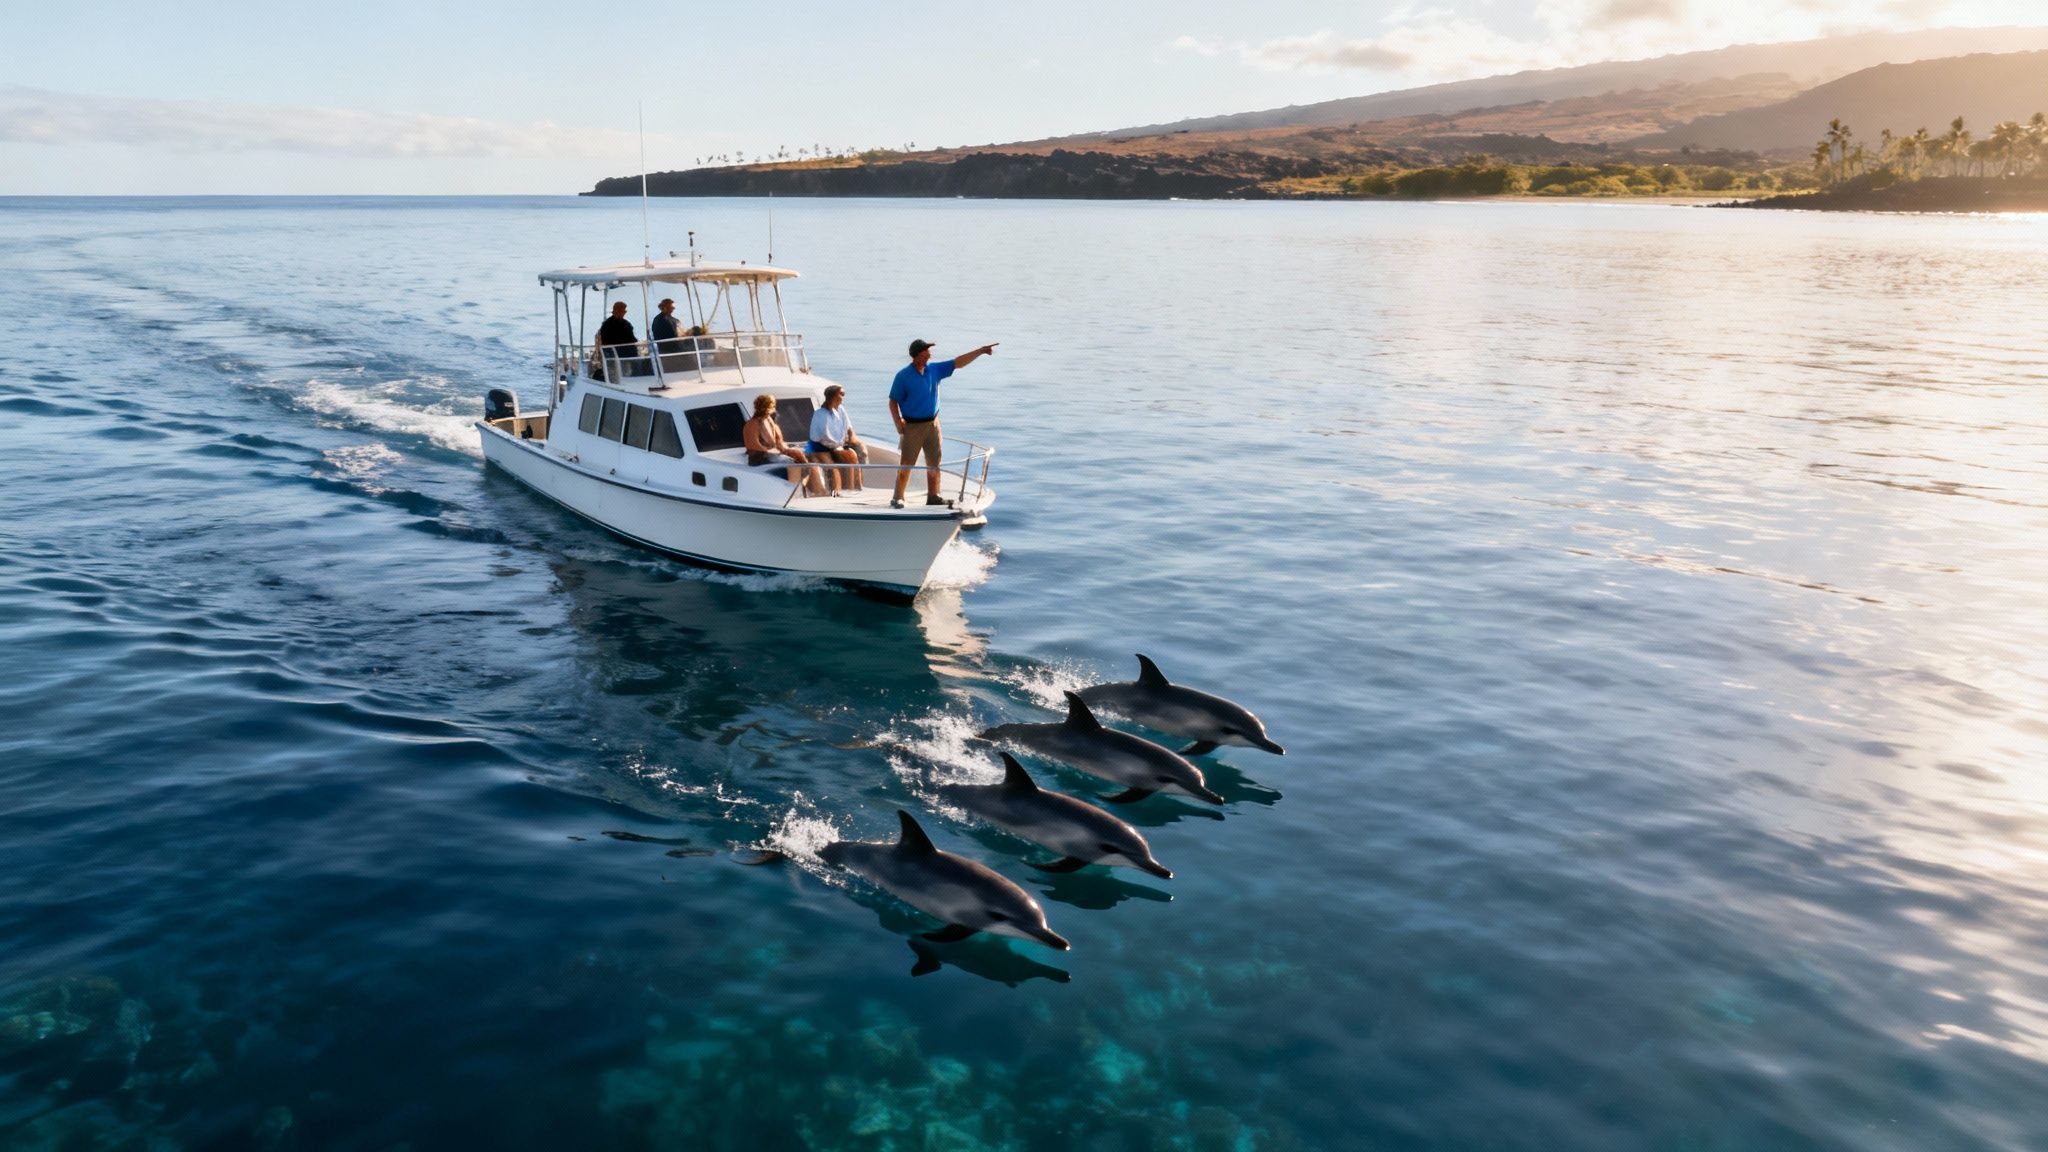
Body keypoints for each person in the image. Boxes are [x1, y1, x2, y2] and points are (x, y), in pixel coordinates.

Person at [888, 338, 997, 508]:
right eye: (924, 356)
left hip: (933, 424)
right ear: (915, 357)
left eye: (928, 355)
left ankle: (933, 496)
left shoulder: (935, 370)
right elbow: (893, 401)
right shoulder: (903, 376)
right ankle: (898, 497)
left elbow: (958, 362)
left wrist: (981, 351)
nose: (928, 359)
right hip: (912, 426)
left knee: (934, 462)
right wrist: (898, 423)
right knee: (907, 463)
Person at [743, 394, 826, 496]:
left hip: (773, 456)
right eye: (771, 406)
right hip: (760, 459)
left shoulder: (770, 421)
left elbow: (779, 443)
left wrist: (788, 450)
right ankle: (795, 494)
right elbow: (753, 445)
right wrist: (776, 452)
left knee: (809, 462)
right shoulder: (752, 424)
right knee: (795, 465)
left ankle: (819, 491)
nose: (773, 409)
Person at [807, 384, 866, 493]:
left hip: (834, 446)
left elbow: (847, 427)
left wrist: (851, 440)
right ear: (833, 397)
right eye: (841, 394)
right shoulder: (820, 414)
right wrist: (839, 445)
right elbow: (822, 437)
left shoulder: (840, 410)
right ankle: (835, 493)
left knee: (852, 456)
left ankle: (853, 489)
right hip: (819, 448)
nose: (843, 397)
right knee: (833, 467)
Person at [593, 301, 641, 378]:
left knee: (636, 368)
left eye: (624, 311)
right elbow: (607, 341)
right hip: (616, 355)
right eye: (622, 311)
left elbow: (632, 338)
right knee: (621, 375)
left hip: (628, 354)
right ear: (616, 311)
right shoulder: (607, 324)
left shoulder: (626, 324)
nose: (623, 313)